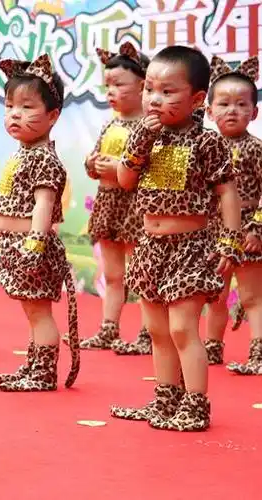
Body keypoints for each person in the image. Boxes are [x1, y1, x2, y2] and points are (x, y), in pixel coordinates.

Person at [110, 46, 241, 432]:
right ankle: (166, 399)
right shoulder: (145, 136)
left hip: (190, 247)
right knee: (157, 331)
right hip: (150, 247)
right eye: (150, 89)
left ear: (197, 99)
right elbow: (125, 180)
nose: (154, 99)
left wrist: (230, 241)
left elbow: (227, 192)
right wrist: (138, 143)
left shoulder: (207, 142)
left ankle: (196, 405)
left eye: (167, 92)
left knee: (183, 329)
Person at [0, 55, 80, 391]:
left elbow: (44, 204)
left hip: (31, 248)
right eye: (10, 106)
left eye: (27, 107)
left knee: (39, 312)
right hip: (15, 247)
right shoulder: (22, 153)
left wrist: (34, 245)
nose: (15, 114)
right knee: (32, 311)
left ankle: (43, 373)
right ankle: (33, 366)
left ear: (53, 116)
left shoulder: (44, 157)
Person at [79, 43, 152, 355]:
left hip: (135, 207)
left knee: (142, 273)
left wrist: (120, 168)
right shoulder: (111, 123)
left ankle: (149, 334)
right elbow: (95, 160)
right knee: (112, 274)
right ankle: (108, 329)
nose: (111, 91)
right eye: (107, 85)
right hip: (108, 203)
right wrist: (92, 163)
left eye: (119, 84)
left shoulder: (149, 127)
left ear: (143, 85)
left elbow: (152, 169)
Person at [202, 56, 262, 374]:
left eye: (241, 104)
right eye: (224, 104)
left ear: (254, 112)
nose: (232, 111)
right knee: (215, 293)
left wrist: (257, 230)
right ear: (209, 111)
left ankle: (259, 353)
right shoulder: (205, 149)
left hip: (249, 230)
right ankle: (211, 348)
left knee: (252, 297)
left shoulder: (256, 149)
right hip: (214, 232)